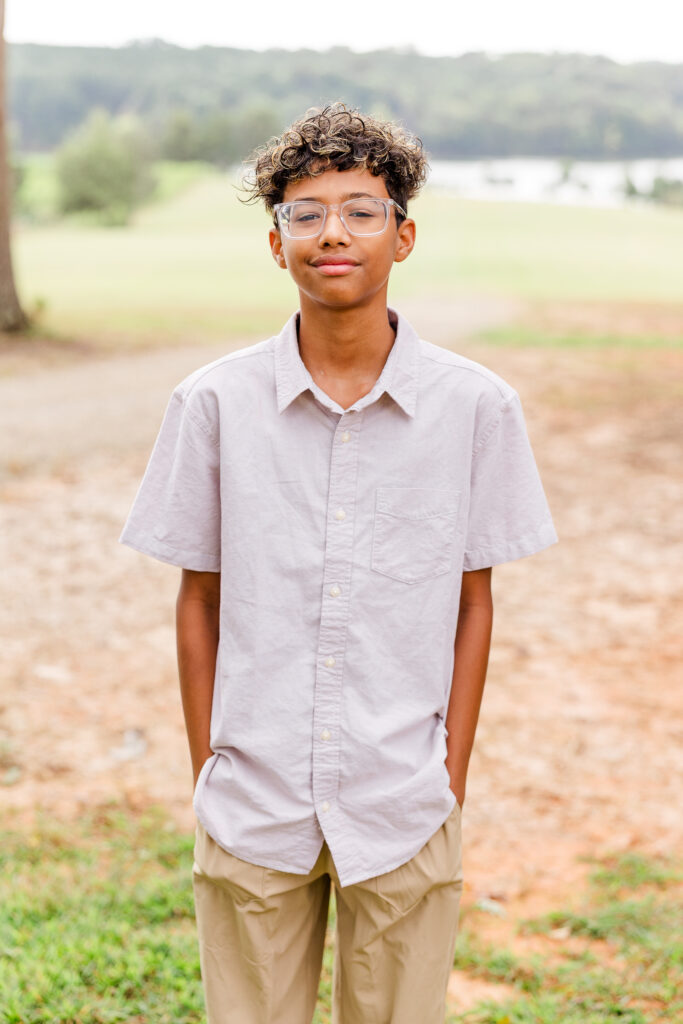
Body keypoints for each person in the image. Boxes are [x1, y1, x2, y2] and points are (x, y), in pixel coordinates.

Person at [119, 102, 558, 1024]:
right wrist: (211, 769)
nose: (333, 233)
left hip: (404, 798)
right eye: (305, 212)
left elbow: (474, 602)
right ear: (275, 245)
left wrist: (449, 776)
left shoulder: (475, 407)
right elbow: (198, 600)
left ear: (402, 235)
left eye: (360, 210)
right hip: (251, 800)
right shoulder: (212, 405)